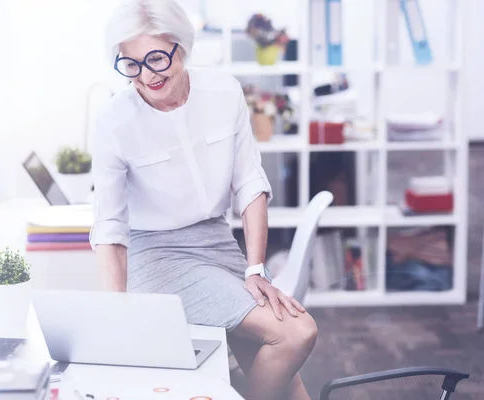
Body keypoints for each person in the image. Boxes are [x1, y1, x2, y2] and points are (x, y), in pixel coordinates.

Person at [90, 1, 318, 399]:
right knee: (296, 333)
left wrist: (255, 268)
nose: (147, 76)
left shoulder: (223, 92)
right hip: (158, 256)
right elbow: (109, 227)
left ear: (182, 46)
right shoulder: (113, 120)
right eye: (131, 64)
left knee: (287, 374)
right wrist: (117, 318)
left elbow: (250, 183)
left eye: (157, 58)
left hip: (217, 241)